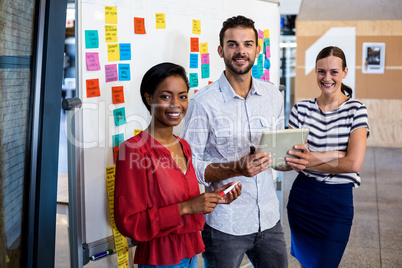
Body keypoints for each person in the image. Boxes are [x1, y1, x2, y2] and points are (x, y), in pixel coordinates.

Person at [181, 16, 309, 268]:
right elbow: (189, 165)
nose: (241, 51)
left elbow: (274, 157)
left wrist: (290, 160)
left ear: (257, 50)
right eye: (232, 44)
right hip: (225, 225)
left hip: (269, 219)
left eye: (248, 44)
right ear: (221, 50)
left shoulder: (272, 94)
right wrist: (236, 168)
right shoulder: (203, 102)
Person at [114, 62, 242, 268]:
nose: (176, 104)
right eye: (166, 96)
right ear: (149, 98)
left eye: (182, 96)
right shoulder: (133, 151)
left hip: (190, 252)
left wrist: (213, 199)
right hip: (161, 258)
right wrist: (186, 207)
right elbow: (129, 222)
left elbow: (185, 203)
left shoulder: (183, 146)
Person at [287, 46, 370, 268]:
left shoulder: (356, 110)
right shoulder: (301, 110)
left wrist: (309, 160)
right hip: (303, 198)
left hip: (337, 202)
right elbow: (292, 160)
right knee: (306, 263)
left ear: (344, 73)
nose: (327, 77)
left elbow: (353, 163)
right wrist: (334, 155)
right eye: (321, 71)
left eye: (334, 71)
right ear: (315, 72)